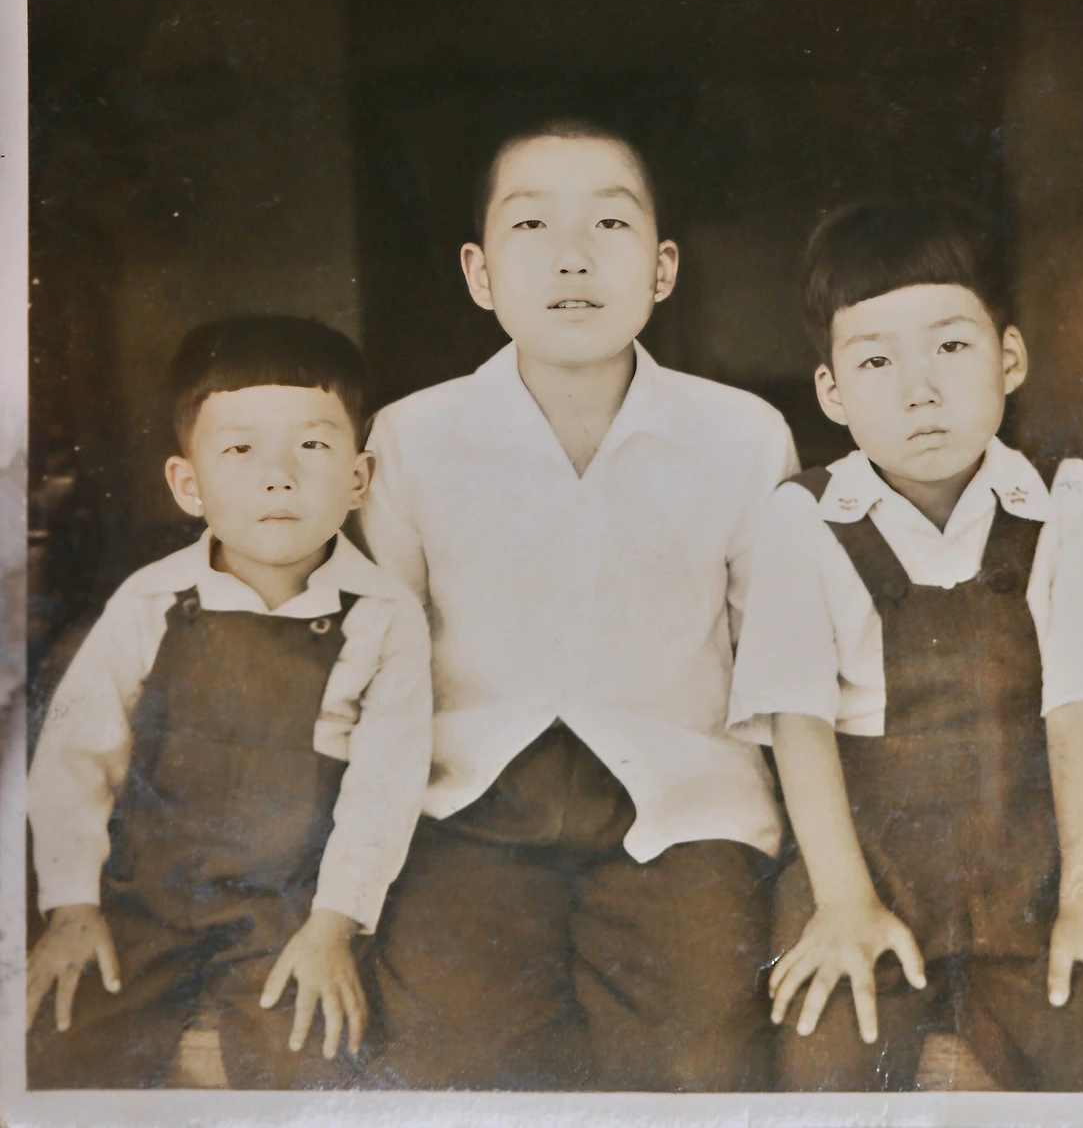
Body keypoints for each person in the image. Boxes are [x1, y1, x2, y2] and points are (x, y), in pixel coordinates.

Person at [359, 117, 798, 1091]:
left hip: (685, 816)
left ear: (663, 267)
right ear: (478, 273)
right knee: (453, 1066)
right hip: (467, 815)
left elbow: (781, 669)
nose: (572, 256)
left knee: (696, 1063)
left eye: (609, 222)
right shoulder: (409, 438)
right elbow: (382, 671)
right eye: (530, 225)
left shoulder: (741, 436)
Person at [729, 198, 1083, 1092]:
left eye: (950, 346)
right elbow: (797, 725)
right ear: (831, 391)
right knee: (826, 1055)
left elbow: (1082, 708)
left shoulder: (1068, 500)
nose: (920, 389)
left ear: (1009, 358)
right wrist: (843, 903)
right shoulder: (802, 517)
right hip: (865, 871)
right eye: (876, 360)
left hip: (1031, 878)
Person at [26, 315, 433, 1089]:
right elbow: (75, 758)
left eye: (311, 445)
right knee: (59, 1047)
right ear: (188, 483)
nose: (279, 476)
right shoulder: (148, 601)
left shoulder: (385, 616)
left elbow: (385, 787)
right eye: (241, 450)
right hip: (146, 896)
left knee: (306, 1062)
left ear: (358, 477)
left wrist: (333, 924)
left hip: (290, 908)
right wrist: (72, 905)